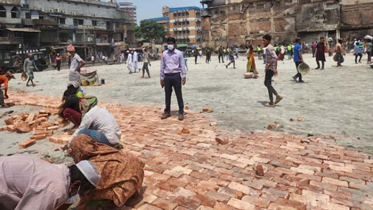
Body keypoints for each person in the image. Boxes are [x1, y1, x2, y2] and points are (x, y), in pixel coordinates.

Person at [70, 135, 144, 209]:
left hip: (127, 188)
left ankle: (112, 202)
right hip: (138, 178)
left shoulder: (94, 165)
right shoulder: (103, 148)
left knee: (85, 191)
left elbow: (87, 190)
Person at [0, 155, 100, 210]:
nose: (77, 197)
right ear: (76, 184)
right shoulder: (55, 189)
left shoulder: (60, 170)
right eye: (80, 193)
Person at [160, 37, 187, 121]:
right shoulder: (164, 53)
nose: (170, 45)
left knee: (178, 94)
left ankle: (181, 112)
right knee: (167, 94)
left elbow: (182, 65)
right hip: (167, 76)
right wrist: (161, 78)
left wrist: (184, 76)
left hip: (176, 75)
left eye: (171, 43)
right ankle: (167, 111)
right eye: (168, 44)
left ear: (174, 44)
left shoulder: (179, 53)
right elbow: (162, 66)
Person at [263, 34, 283, 107]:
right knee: (268, 84)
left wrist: (269, 66)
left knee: (267, 83)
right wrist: (275, 68)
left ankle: (277, 96)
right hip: (271, 68)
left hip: (270, 68)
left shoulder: (269, 48)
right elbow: (275, 58)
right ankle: (271, 101)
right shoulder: (270, 47)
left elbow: (274, 58)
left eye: (264, 40)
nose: (263, 41)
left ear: (268, 40)